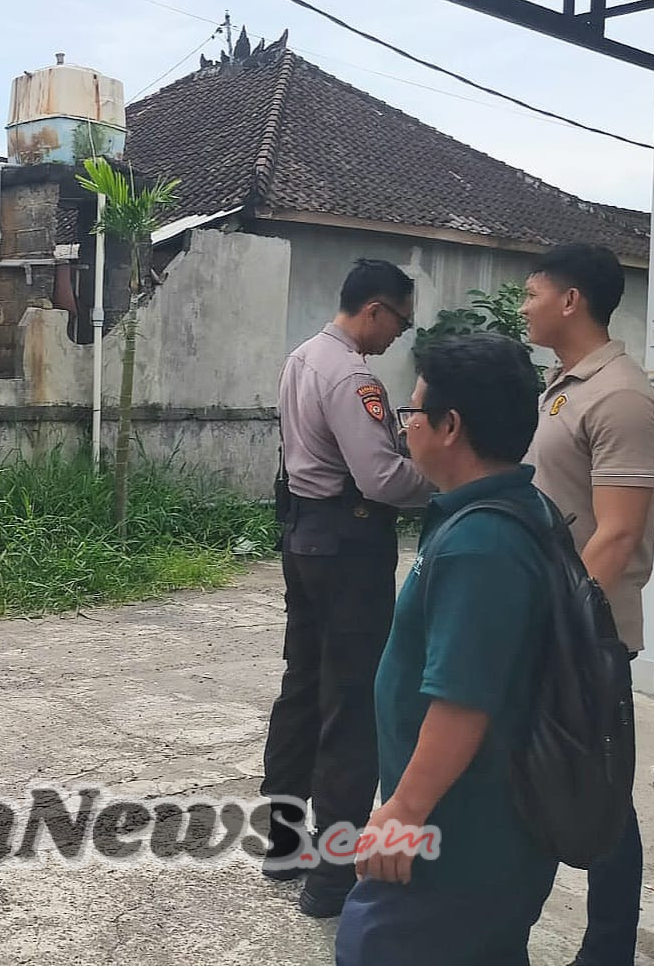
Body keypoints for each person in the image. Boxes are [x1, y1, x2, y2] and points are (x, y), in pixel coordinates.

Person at [336, 333, 556, 966]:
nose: (404, 424)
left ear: (450, 425)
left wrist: (404, 810)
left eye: (412, 410)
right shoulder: (509, 510)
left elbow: (464, 697)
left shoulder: (481, 544)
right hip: (479, 825)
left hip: (459, 835)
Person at [262, 258, 432, 918]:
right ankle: (331, 877)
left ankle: (281, 842)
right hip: (348, 548)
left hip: (302, 537)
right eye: (398, 321)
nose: (397, 335)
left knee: (301, 687)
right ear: (373, 310)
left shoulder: (301, 357)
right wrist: (441, 485)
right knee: (351, 703)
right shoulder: (351, 375)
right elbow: (380, 477)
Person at [521, 243, 654, 966]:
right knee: (551, 777)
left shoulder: (621, 396)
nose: (523, 304)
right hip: (550, 618)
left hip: (585, 630)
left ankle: (607, 949)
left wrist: (554, 621)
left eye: (532, 291)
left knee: (597, 788)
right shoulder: (565, 383)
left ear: (570, 300)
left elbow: (617, 533)